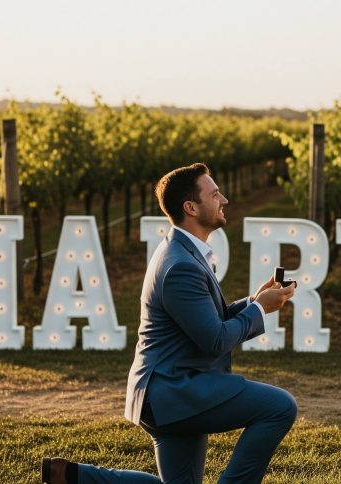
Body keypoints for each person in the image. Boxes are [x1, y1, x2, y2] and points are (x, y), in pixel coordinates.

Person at [42, 163, 298, 484]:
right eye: (215, 194)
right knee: (280, 407)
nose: (225, 200)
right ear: (190, 207)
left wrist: (254, 302)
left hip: (166, 391)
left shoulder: (182, 252)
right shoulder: (181, 265)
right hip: (173, 392)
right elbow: (215, 340)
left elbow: (204, 323)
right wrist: (259, 310)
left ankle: (71, 476)